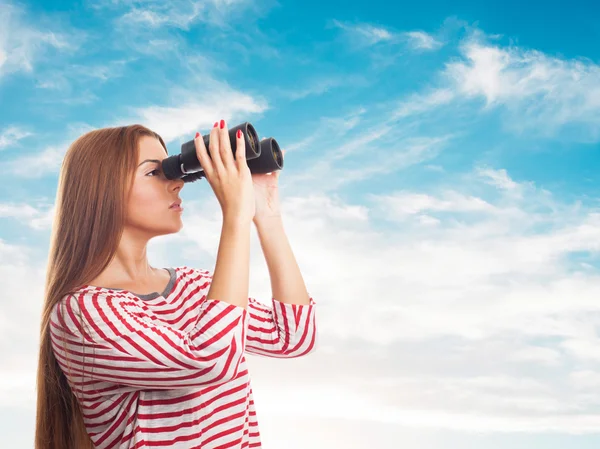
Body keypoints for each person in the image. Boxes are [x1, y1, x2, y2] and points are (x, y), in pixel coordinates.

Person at [34, 119, 317, 448]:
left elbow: (293, 337)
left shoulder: (195, 287)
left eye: (174, 170)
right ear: (103, 189)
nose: (178, 184)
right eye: (155, 172)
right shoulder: (83, 313)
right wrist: (235, 216)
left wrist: (266, 215)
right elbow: (209, 361)